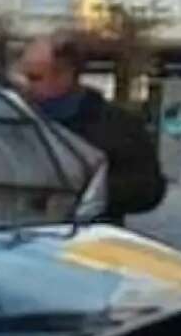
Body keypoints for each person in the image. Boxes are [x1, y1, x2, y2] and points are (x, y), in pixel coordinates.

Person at [17, 32, 166, 223]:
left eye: (34, 77)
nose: (24, 86)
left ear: (65, 76)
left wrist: (92, 190)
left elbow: (149, 189)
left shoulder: (118, 126)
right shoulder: (14, 119)